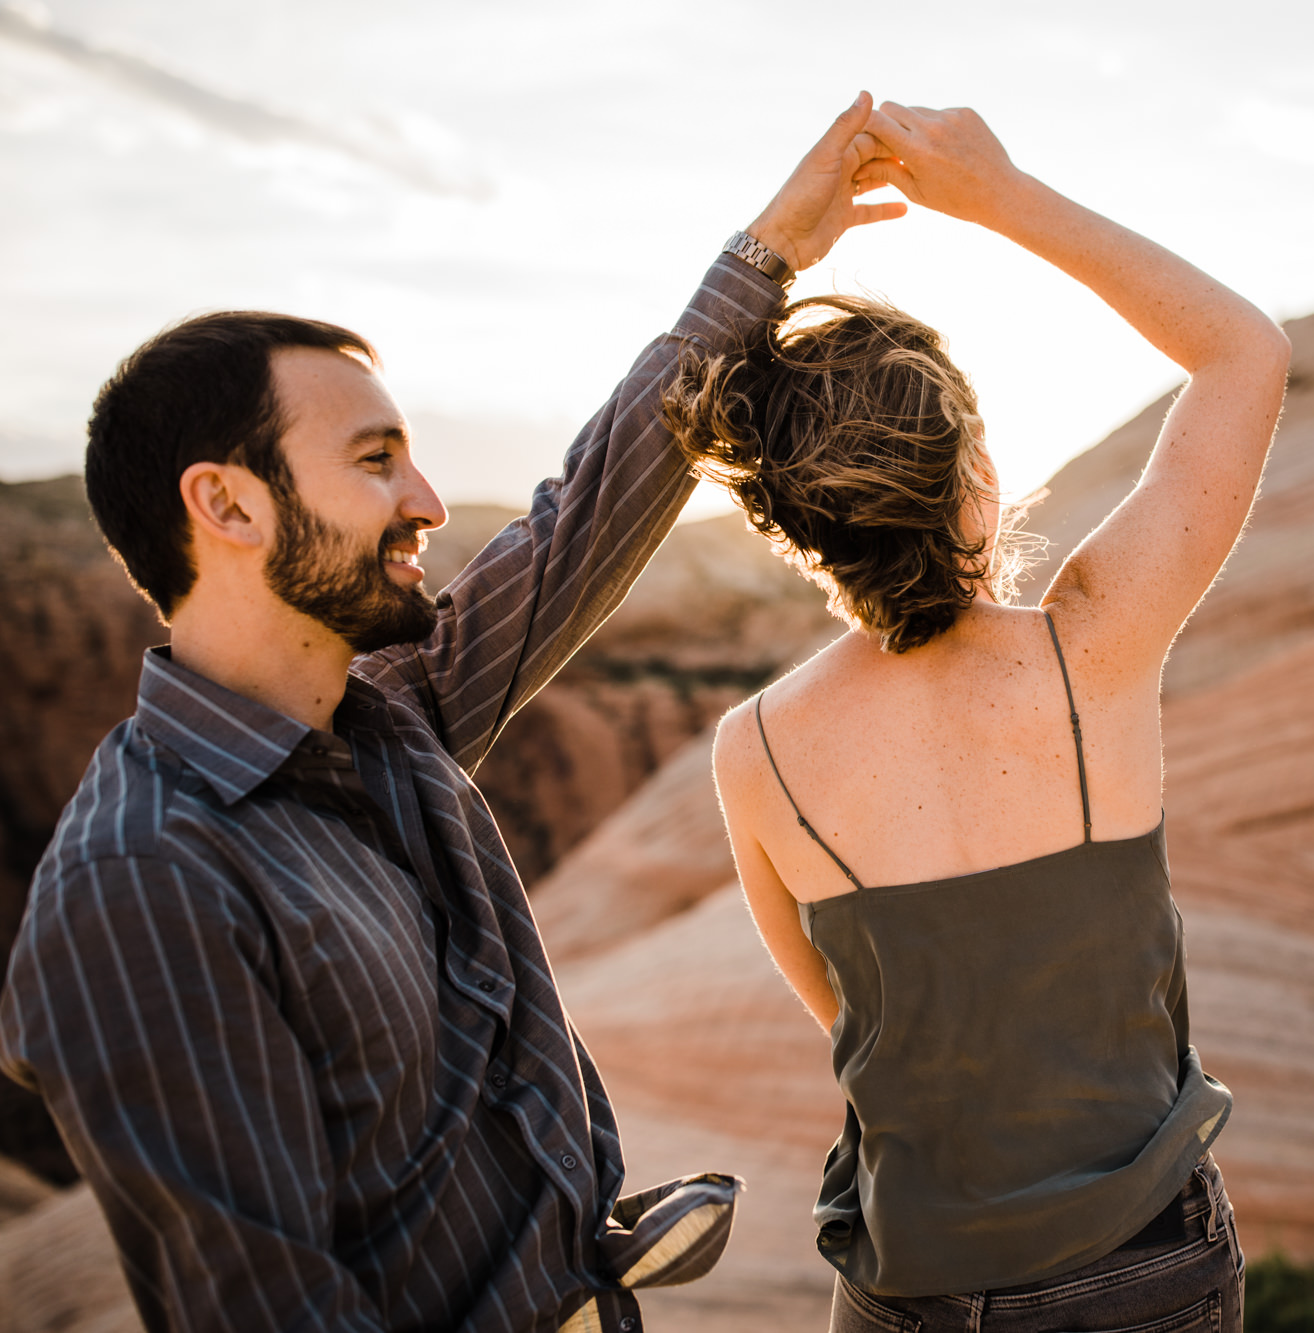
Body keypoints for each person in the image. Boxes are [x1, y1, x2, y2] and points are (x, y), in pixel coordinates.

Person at [0, 94, 905, 1333]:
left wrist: (769, 257)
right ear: (227, 504)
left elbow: (577, 521)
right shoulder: (141, 882)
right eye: (376, 460)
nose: (427, 499)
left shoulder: (383, 723)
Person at [669, 104, 1290, 1332]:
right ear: (977, 476)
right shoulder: (1087, 652)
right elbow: (1241, 352)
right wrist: (999, 193)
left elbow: (855, 1015)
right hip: (1141, 1277)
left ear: (799, 536)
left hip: (908, 1290)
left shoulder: (756, 754)